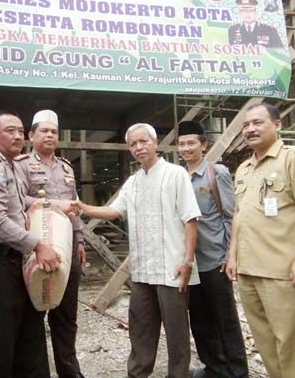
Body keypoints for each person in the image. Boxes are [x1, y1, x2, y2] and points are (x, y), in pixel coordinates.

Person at [76, 123, 201, 378]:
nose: (138, 147)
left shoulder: (176, 174)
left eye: (143, 141)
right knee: (140, 327)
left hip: (172, 268)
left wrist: (188, 262)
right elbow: (114, 211)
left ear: (155, 143)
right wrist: (81, 207)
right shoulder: (133, 182)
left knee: (176, 332)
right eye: (133, 144)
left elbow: (191, 220)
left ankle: (179, 375)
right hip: (143, 269)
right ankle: (137, 374)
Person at [0, 110, 64, 378]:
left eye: (21, 130)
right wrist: (38, 245)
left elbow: (19, 205)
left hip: (11, 259)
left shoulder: (10, 166)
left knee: (28, 336)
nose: (18, 135)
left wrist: (53, 205)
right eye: (10, 130)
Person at [225, 103, 295, 378]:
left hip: (282, 271)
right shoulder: (244, 168)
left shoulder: (294, 158)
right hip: (248, 269)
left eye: (257, 122)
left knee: (293, 344)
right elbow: (239, 214)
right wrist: (232, 256)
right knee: (266, 343)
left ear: (277, 125)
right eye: (246, 125)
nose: (250, 129)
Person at [13, 110, 87, 378]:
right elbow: (19, 201)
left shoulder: (66, 167)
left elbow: (74, 206)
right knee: (35, 310)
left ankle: (69, 371)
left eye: (54, 132)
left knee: (66, 314)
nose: (49, 136)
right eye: (44, 131)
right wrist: (53, 204)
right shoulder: (20, 165)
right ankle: (36, 372)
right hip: (37, 245)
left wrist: (79, 240)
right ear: (31, 136)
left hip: (67, 244)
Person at [176, 121, 248, 378]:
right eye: (182, 144)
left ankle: (238, 372)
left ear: (203, 145)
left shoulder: (216, 173)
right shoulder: (178, 177)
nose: (186, 148)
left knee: (225, 321)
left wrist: (230, 256)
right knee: (200, 321)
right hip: (191, 265)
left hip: (215, 260)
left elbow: (230, 215)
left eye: (191, 143)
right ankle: (214, 369)